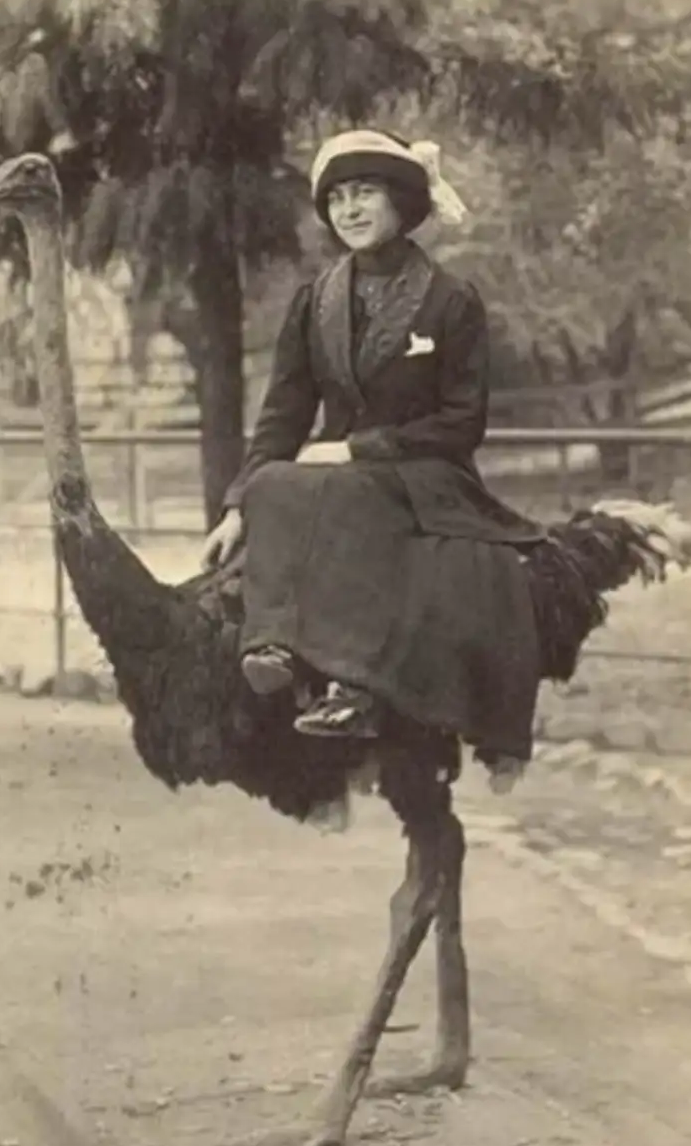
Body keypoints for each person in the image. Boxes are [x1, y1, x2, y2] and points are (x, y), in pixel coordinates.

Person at [203, 128, 545, 786]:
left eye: (364, 193)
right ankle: (273, 649)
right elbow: (283, 415)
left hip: (426, 470)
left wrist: (359, 448)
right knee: (273, 484)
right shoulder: (316, 300)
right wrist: (237, 503)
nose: (349, 210)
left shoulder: (450, 300)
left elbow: (462, 422)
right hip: (336, 472)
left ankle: (356, 687)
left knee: (343, 491)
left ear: (401, 202)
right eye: (337, 199)